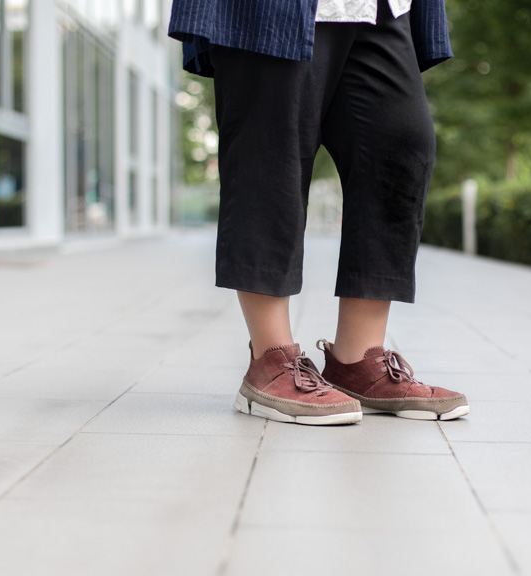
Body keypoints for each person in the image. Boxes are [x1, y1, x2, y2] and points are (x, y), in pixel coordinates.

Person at [167, 0, 469, 425]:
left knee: (400, 145)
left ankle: (358, 361)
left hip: (379, 9)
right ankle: (269, 361)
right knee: (272, 154)